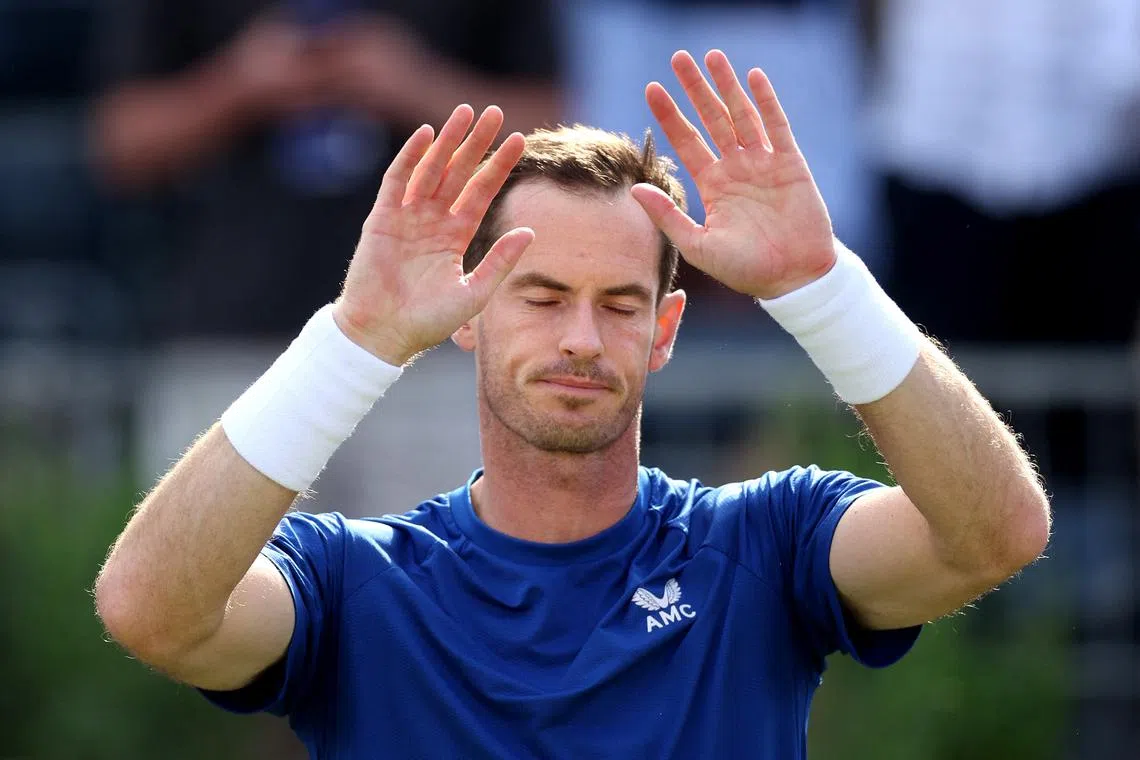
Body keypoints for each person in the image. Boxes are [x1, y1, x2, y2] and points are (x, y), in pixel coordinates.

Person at [94, 51, 1051, 758]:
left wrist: (822, 286)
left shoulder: (768, 543)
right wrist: (354, 341)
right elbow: (150, 610)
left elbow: (996, 533)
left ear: (665, 330)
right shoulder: (354, 582)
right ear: (469, 314)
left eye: (620, 304)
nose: (582, 339)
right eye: (543, 298)